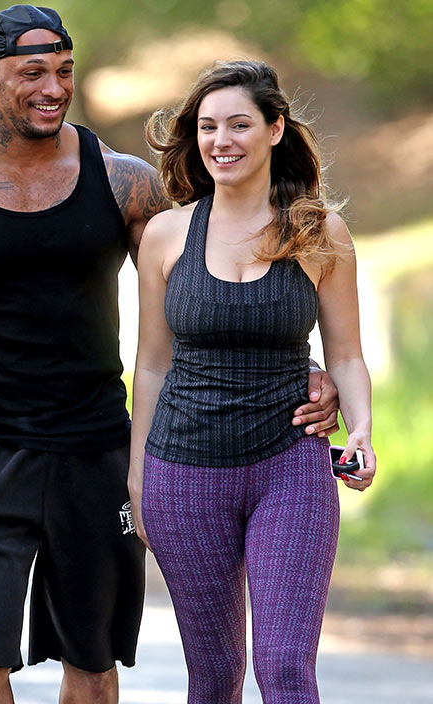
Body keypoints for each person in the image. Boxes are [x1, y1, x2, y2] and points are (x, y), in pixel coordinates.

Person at [0, 5, 339, 700]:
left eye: (64, 71)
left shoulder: (123, 181)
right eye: (33, 73)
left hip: (96, 451)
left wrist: (300, 368)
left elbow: (211, 284)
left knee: (92, 666)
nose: (54, 88)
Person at [129, 60, 376, 704]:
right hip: (182, 471)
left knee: (287, 669)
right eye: (208, 127)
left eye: (240, 124)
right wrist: (138, 476)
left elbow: (345, 354)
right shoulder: (164, 236)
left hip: (290, 465)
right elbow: (151, 364)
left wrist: (363, 429)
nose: (221, 141)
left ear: (275, 130)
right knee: (212, 680)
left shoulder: (319, 232)